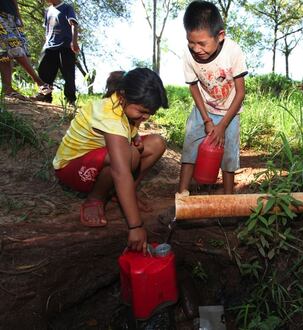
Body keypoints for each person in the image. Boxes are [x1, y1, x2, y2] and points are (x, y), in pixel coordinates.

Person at [53, 68, 169, 252]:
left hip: (97, 160)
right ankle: (95, 199)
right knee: (128, 157)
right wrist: (135, 226)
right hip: (72, 169)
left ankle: (120, 194)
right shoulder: (109, 114)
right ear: (123, 96)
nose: (146, 117)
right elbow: (120, 171)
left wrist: (135, 136)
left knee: (156, 143)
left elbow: (127, 134)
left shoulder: (123, 106)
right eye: (143, 111)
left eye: (150, 113)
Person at [178, 1, 248, 195]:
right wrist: (207, 120)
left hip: (230, 113)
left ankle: (227, 199)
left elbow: (240, 93)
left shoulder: (233, 51)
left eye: (202, 43)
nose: (196, 49)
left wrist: (223, 125)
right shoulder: (188, 55)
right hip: (203, 110)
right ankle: (182, 195)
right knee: (190, 148)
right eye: (191, 42)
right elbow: (194, 87)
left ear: (220, 36)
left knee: (228, 156)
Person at [0, 0, 51, 100]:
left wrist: (19, 18)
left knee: (10, 51)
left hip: (12, 17)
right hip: (3, 17)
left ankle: (8, 89)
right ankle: (38, 82)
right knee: (7, 52)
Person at [34, 0, 79, 105]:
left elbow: (74, 25)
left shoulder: (67, 7)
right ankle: (45, 96)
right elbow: (47, 29)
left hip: (65, 46)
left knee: (68, 74)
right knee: (44, 72)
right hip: (49, 46)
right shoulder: (48, 10)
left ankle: (70, 99)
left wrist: (74, 41)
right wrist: (46, 42)